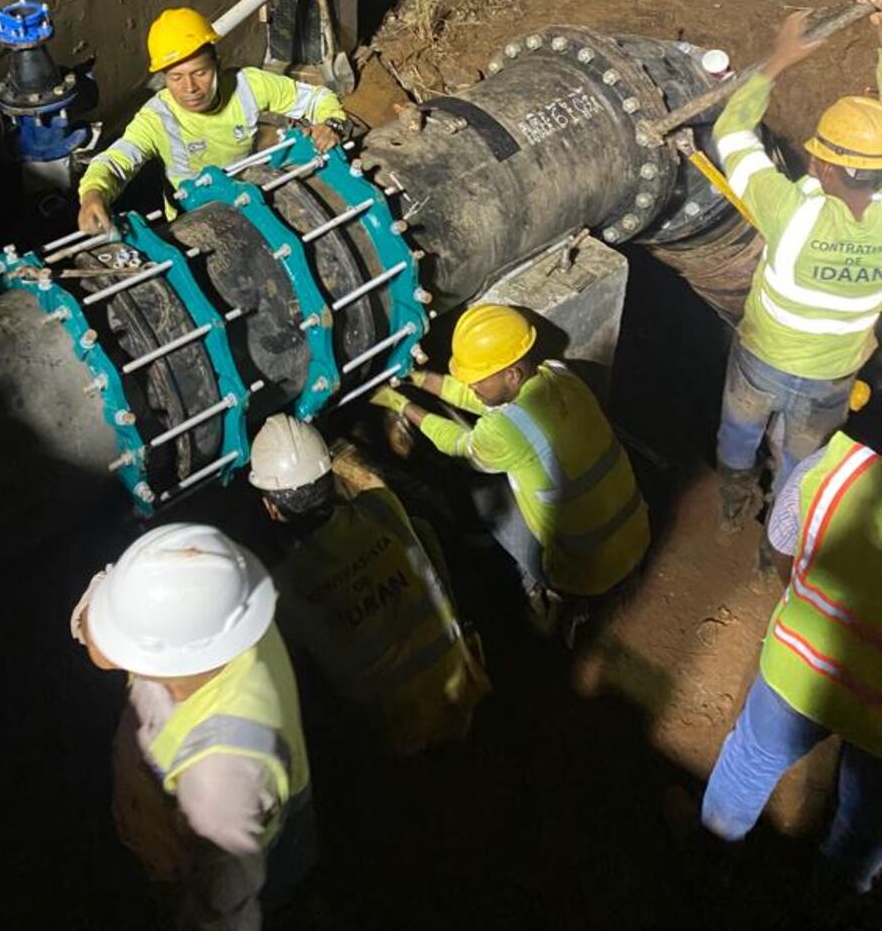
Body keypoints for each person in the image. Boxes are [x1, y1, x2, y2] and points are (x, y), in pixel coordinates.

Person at [70, 522, 314, 931]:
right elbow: (106, 621)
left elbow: (224, 916)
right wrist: (102, 624)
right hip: (213, 823)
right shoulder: (219, 594)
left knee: (269, 897)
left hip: (239, 850)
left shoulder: (220, 780)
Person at [711, 0, 882, 537]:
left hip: (764, 358)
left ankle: (733, 494)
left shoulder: (788, 209)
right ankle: (780, 542)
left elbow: (732, 133)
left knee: (739, 429)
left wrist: (779, 59)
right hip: (833, 374)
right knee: (804, 462)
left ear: (821, 164)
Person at [371, 304, 649, 610]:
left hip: (584, 575)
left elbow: (455, 442)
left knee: (481, 489)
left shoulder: (504, 432)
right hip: (636, 536)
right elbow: (482, 400)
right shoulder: (559, 375)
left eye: (477, 380)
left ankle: (538, 586)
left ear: (513, 374)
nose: (471, 387)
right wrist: (415, 377)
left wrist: (400, 404)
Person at [701, 431, 882, 896]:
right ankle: (836, 894)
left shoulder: (837, 464)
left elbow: (783, 545)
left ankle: (711, 861)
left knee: (752, 759)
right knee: (868, 819)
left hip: (802, 665)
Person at [246, 414, 489, 756]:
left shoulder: (284, 589)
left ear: (271, 508)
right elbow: (372, 484)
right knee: (420, 531)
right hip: (463, 690)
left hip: (398, 732)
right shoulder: (382, 510)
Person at [76, 7, 347, 235]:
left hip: (250, 200)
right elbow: (116, 160)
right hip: (192, 225)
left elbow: (317, 99)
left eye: (200, 72)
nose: (190, 87)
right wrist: (93, 193)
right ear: (164, 78)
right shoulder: (157, 118)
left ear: (217, 65)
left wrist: (330, 123)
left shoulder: (247, 85)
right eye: (176, 77)